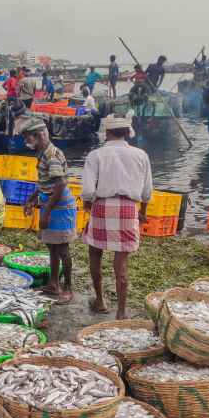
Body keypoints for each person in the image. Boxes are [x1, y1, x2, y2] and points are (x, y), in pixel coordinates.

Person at [81, 115, 153, 318]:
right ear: (127, 132)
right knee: (121, 266)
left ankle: (101, 302)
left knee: (95, 255)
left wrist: (88, 204)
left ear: (108, 133)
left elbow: (87, 190)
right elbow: (147, 191)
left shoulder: (96, 155)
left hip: (102, 206)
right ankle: (121, 312)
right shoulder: (141, 155)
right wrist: (142, 214)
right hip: (129, 209)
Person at [21, 118, 75, 304]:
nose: (26, 142)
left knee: (62, 249)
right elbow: (47, 182)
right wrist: (32, 198)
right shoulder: (43, 153)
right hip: (51, 203)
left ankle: (67, 288)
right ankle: (53, 283)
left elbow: (60, 184)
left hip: (60, 207)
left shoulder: (51, 155)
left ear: (38, 136)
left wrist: (46, 213)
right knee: (52, 246)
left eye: (28, 138)